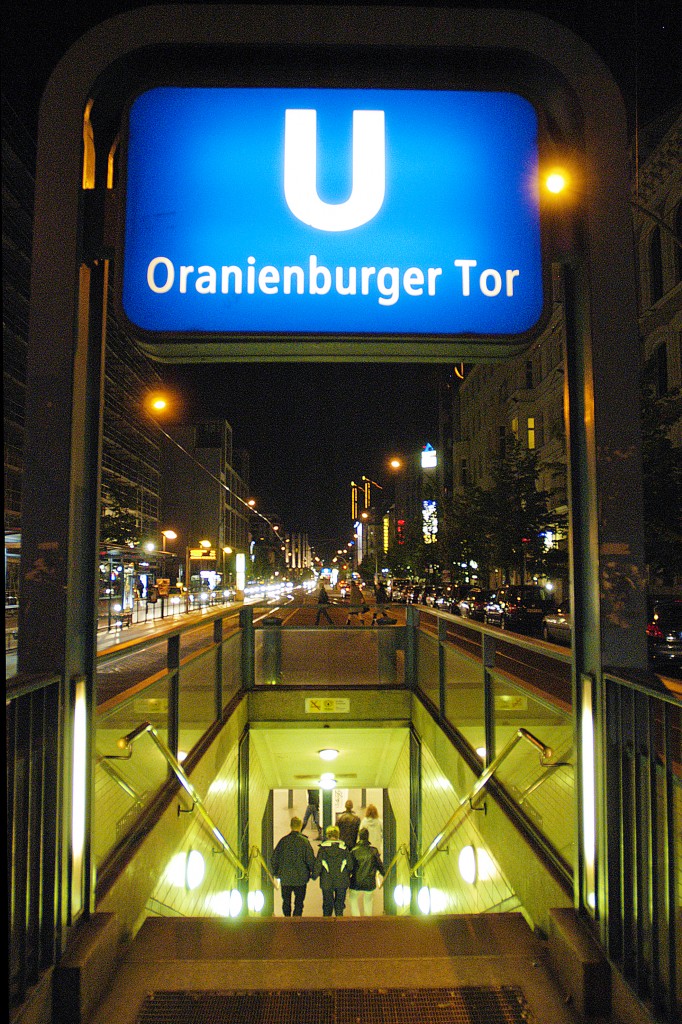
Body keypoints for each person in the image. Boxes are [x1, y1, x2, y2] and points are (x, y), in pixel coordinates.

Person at [271, 816, 316, 917]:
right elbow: (310, 860)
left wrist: (276, 873)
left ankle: (287, 919)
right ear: (300, 826)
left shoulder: (283, 841)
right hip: (301, 879)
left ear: (290, 826)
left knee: (286, 901)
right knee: (299, 903)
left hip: (286, 878)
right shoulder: (304, 842)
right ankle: (296, 921)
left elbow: (274, 858)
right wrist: (313, 872)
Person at [313, 825, 355, 917]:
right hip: (341, 881)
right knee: (339, 906)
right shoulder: (344, 849)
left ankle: (327, 928)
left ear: (328, 835)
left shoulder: (323, 849)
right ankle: (339, 927)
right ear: (338, 835)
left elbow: (318, 865)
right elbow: (350, 866)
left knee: (327, 906)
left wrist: (314, 876)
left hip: (326, 881)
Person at [348, 827, 385, 916]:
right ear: (367, 837)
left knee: (353, 897)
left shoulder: (353, 851)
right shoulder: (373, 851)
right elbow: (379, 865)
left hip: (356, 881)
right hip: (369, 882)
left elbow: (349, 867)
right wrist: (385, 874)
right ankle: (367, 918)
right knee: (368, 899)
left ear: (359, 837)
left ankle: (356, 917)